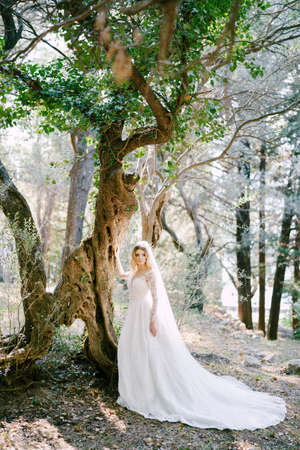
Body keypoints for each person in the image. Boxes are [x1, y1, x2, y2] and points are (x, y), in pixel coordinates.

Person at [114, 240, 286, 430]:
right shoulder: (134, 272)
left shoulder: (149, 273)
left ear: (147, 256)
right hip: (133, 315)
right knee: (131, 349)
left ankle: (152, 392)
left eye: (143, 255)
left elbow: (156, 299)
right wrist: (115, 255)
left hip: (145, 314)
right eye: (137, 255)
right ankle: (137, 389)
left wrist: (153, 320)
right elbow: (122, 275)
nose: (140, 258)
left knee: (150, 351)